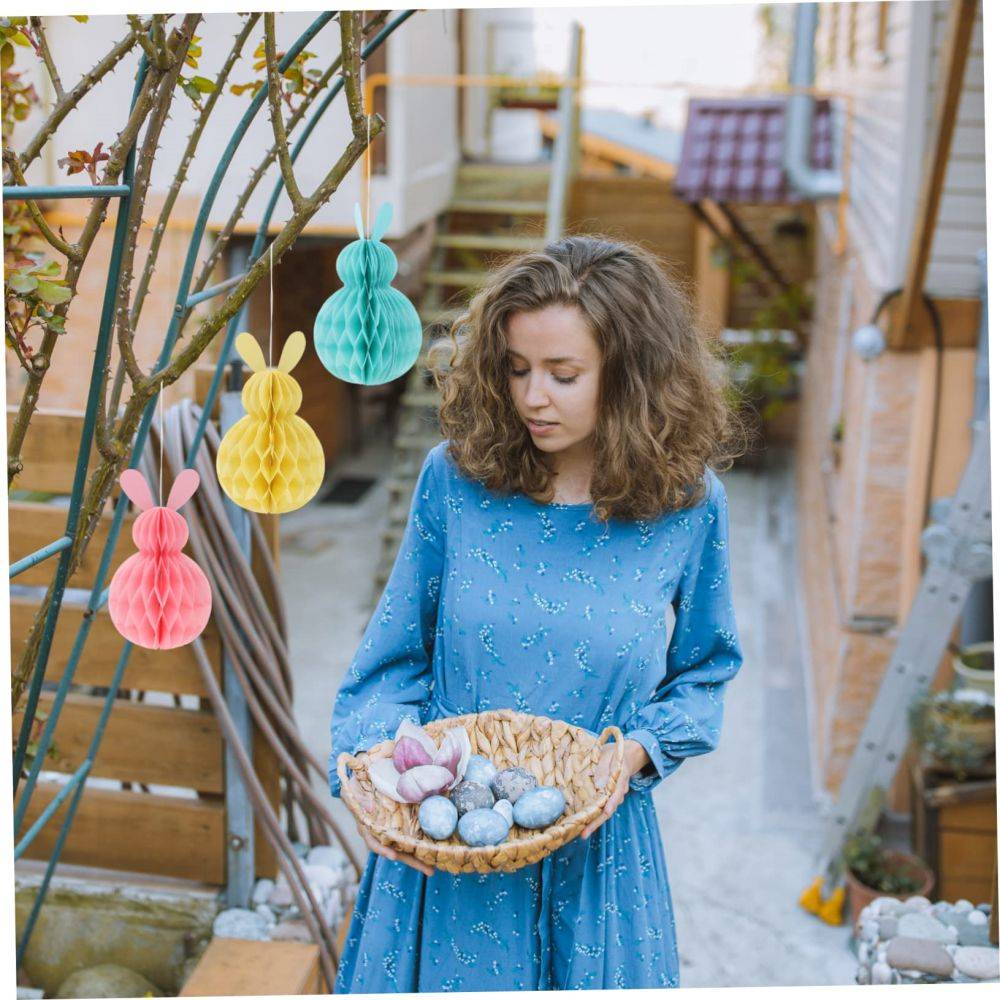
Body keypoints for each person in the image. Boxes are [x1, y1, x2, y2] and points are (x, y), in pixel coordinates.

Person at [328, 235, 746, 992]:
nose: (532, 397)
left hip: (597, 864)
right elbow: (388, 665)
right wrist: (369, 770)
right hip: (447, 867)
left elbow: (705, 672)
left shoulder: (687, 506)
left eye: (564, 374)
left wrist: (638, 753)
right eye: (517, 369)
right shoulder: (454, 482)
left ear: (632, 377)